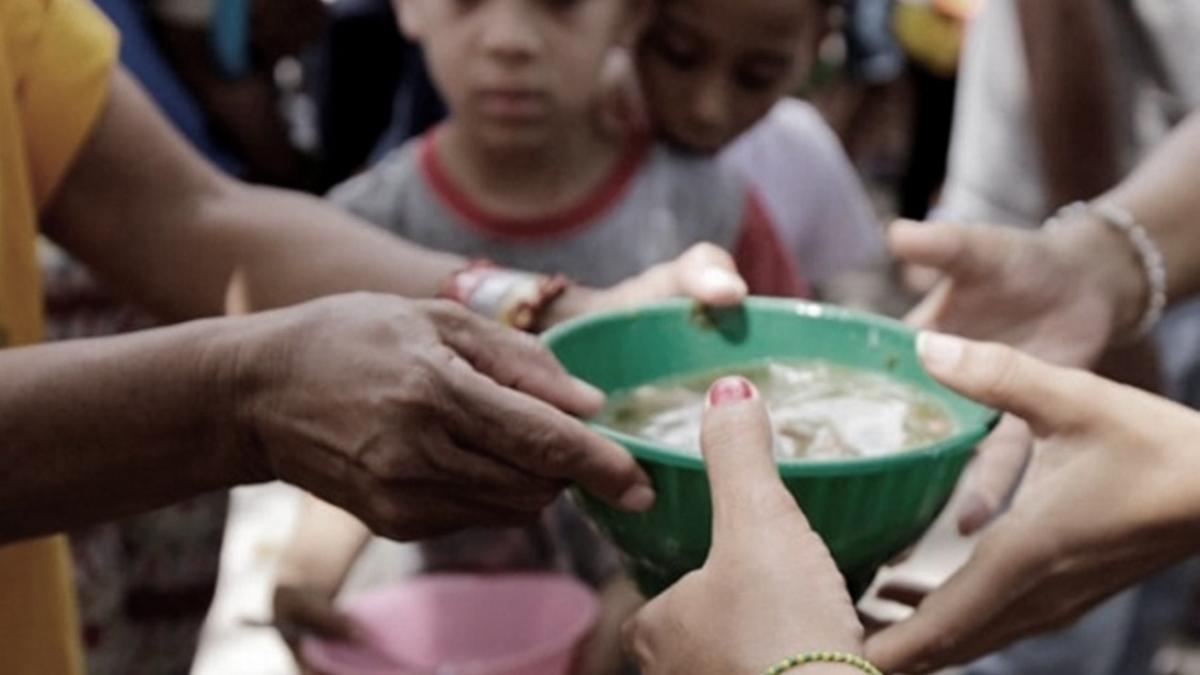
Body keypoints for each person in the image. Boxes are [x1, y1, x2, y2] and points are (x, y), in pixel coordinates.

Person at [0, 0, 747, 671]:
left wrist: (556, 309)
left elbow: (176, 213)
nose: (512, 39)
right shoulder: (381, 199)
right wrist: (246, 404)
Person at [271, 0, 803, 670]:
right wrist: (309, 570)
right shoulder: (356, 232)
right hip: (449, 639)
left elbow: (784, 427)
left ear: (633, 15)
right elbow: (358, 427)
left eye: (559, 4)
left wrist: (658, 574)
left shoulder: (708, 212)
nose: (510, 40)